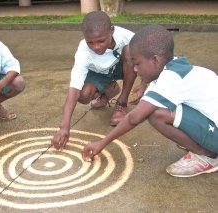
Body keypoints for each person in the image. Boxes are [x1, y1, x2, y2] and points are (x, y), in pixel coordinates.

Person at [82, 24, 218, 178]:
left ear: (155, 60)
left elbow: (134, 118)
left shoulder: (170, 79)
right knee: (164, 107)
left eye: (137, 64)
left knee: (156, 114)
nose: (134, 69)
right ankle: (200, 142)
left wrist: (102, 143)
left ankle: (207, 155)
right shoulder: (175, 66)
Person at [51, 11, 146, 150]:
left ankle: (122, 103)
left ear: (111, 30)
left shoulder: (126, 36)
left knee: (129, 51)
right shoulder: (83, 51)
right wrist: (64, 127)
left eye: (101, 41)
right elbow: (74, 90)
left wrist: (144, 83)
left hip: (122, 67)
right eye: (90, 42)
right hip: (99, 72)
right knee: (83, 96)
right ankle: (108, 90)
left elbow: (148, 58)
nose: (96, 47)